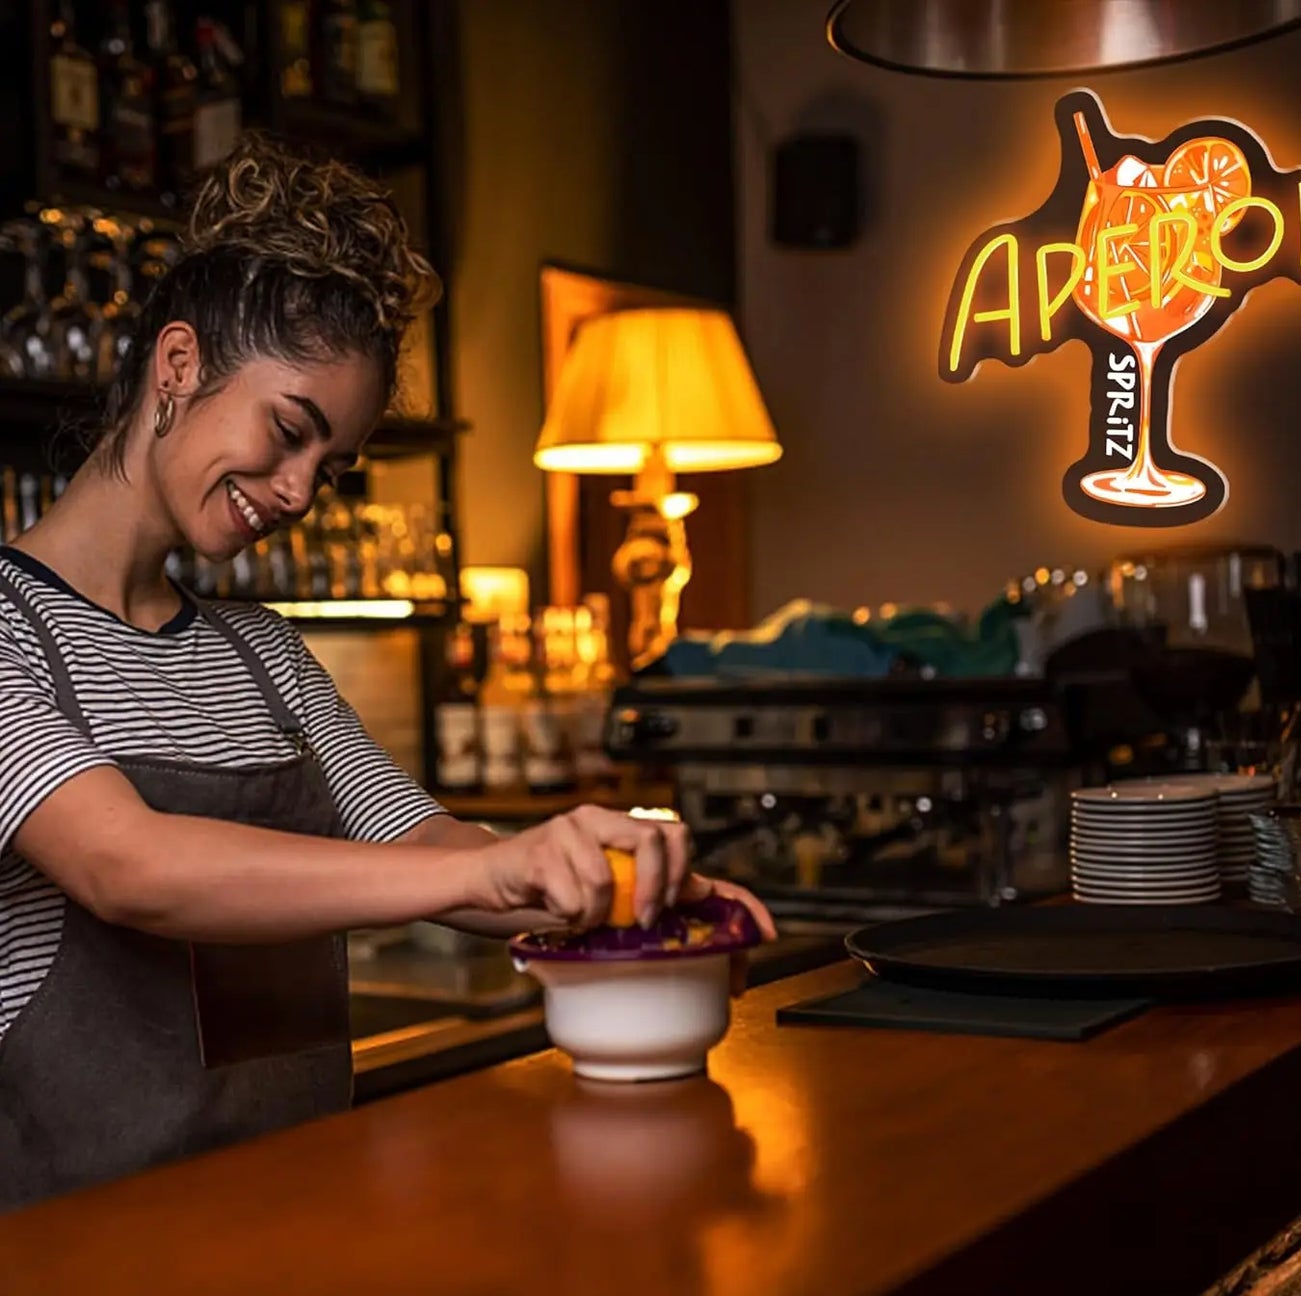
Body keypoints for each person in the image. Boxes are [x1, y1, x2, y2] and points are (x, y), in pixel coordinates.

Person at [0, 134, 773, 1210]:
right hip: (78, 1276)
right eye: (288, 430)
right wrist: (484, 873)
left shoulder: (261, 654)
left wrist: (623, 891)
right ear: (178, 365)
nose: (301, 488)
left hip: (301, 1223)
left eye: (331, 464)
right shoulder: (8, 632)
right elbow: (127, 866)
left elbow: (427, 844)